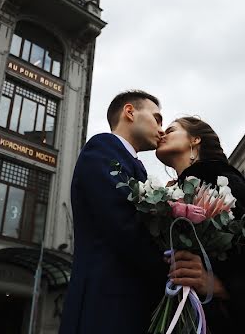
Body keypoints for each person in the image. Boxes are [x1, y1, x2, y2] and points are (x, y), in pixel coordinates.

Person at [156, 116, 245, 333]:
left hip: (216, 322)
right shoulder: (163, 196)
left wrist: (219, 285)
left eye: (171, 129)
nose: (162, 134)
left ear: (195, 140)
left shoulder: (223, 181)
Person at [59, 90, 169, 334]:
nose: (162, 130)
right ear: (130, 112)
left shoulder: (134, 165)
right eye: (157, 118)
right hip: (106, 306)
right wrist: (171, 266)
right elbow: (123, 224)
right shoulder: (102, 149)